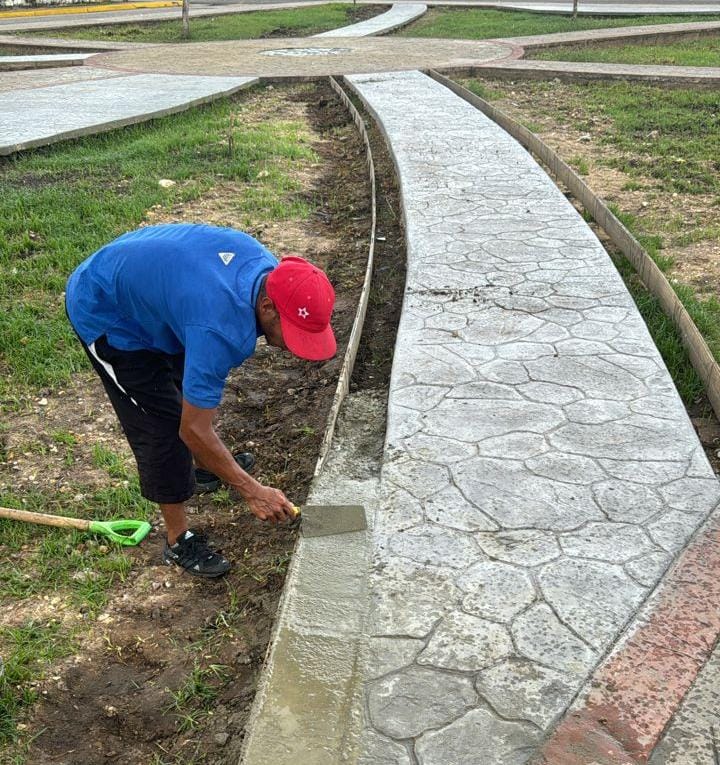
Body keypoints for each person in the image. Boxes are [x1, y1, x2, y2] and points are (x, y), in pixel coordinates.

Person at [65, 223, 336, 578]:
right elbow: (192, 428)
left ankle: (207, 464)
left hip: (159, 296)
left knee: (188, 395)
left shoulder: (268, 276)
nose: (294, 348)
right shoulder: (218, 329)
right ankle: (178, 540)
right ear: (268, 307)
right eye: (294, 334)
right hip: (107, 309)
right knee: (163, 426)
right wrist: (252, 490)